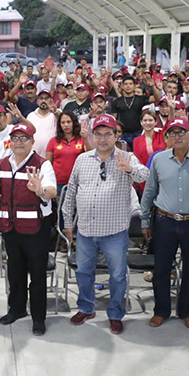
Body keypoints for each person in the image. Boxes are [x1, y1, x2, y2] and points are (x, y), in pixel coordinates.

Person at [62, 114, 149, 335]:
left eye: (107, 134)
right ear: (92, 136)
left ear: (116, 135)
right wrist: (68, 222)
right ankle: (86, 308)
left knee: (118, 275)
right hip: (86, 230)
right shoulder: (82, 159)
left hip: (114, 231)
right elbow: (70, 193)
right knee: (83, 272)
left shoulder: (126, 157)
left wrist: (128, 169)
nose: (102, 139)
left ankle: (115, 314)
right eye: (98, 134)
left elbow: (144, 175)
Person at [141, 118, 189, 330]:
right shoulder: (159, 159)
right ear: (167, 137)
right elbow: (150, 191)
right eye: (172, 133)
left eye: (181, 132)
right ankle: (161, 311)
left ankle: (187, 312)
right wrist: (145, 220)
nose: (177, 136)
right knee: (161, 270)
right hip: (165, 221)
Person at [0, 123, 57, 336]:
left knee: (37, 274)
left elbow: (52, 191)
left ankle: (38, 318)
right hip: (11, 228)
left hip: (36, 229)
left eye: (24, 138)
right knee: (15, 271)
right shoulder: (3, 164)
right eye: (15, 138)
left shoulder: (42, 164)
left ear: (32, 142)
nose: (19, 142)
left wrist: (40, 190)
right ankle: (17, 309)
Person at [111, 75, 161, 147]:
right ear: (122, 86)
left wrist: (153, 86)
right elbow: (114, 119)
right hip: (123, 135)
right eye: (126, 84)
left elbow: (157, 98)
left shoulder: (140, 99)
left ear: (134, 86)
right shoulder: (116, 101)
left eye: (130, 84)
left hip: (138, 133)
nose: (128, 86)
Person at [26, 89, 59, 157]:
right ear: (37, 101)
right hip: (33, 156)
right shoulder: (31, 115)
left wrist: (55, 112)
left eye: (46, 98)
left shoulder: (56, 113)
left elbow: (62, 118)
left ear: (51, 100)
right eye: (41, 98)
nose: (43, 101)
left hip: (52, 155)